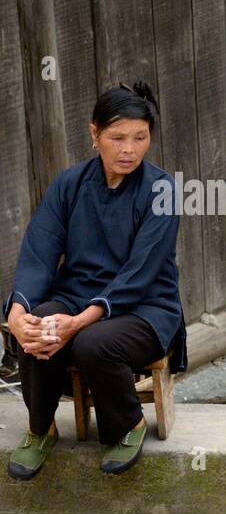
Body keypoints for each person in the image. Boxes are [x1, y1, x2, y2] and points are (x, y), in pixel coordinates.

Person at [4, 81, 185, 479]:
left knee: (93, 342)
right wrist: (19, 312)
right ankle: (40, 428)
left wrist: (81, 321)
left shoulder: (162, 190)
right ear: (94, 134)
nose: (129, 149)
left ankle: (128, 424)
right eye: (117, 137)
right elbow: (39, 249)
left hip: (145, 309)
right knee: (40, 327)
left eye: (140, 138)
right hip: (74, 296)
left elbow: (139, 275)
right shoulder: (70, 184)